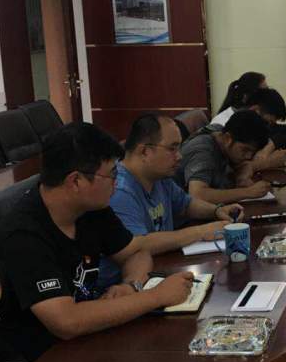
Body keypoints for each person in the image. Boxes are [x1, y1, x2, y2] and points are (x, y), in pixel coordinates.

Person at [0, 123, 194, 362]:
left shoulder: (92, 208)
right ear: (76, 181)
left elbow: (135, 252)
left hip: (88, 341)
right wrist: (156, 296)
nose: (117, 183)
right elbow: (66, 322)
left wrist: (131, 285)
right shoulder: (22, 236)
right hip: (36, 360)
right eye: (111, 175)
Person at [97, 114, 245, 287]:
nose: (179, 156)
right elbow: (138, 245)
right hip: (122, 287)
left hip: (158, 271)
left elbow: (186, 204)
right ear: (145, 151)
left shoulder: (160, 178)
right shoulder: (119, 190)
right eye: (172, 148)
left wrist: (216, 210)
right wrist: (201, 232)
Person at [179, 109, 273, 205]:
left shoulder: (219, 131)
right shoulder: (203, 151)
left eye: (253, 152)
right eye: (245, 150)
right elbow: (197, 195)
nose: (249, 156)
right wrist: (248, 192)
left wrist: (242, 174)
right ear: (228, 138)